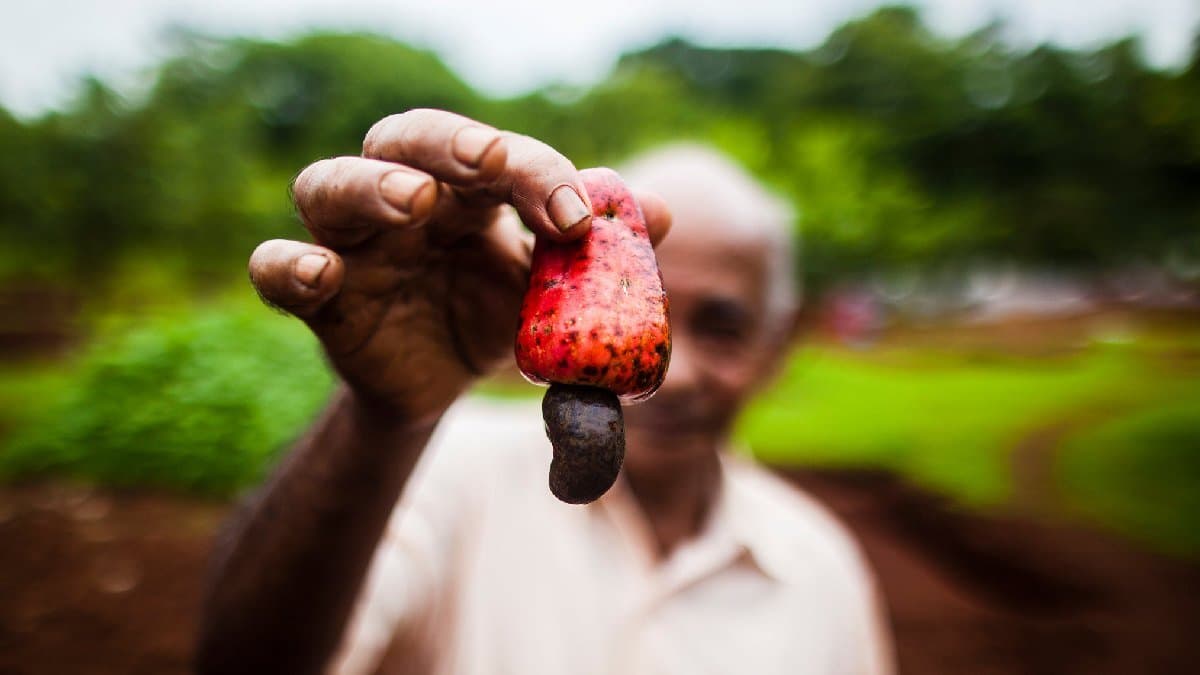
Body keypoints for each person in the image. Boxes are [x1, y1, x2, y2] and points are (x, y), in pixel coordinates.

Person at [195, 109, 894, 675]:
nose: (672, 376)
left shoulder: (821, 568)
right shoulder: (444, 466)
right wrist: (384, 419)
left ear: (777, 345)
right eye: (662, 308)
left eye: (722, 325)